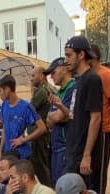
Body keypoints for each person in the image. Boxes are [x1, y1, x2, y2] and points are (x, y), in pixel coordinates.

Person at [62, 36, 103, 194]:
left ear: (81, 55)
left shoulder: (92, 79)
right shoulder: (78, 81)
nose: (66, 60)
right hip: (73, 151)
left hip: (83, 155)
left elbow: (95, 118)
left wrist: (87, 155)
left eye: (69, 55)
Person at [89, 44, 110, 194]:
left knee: (99, 173)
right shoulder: (87, 77)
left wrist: (107, 119)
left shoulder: (105, 75)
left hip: (102, 131)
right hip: (91, 130)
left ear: (93, 58)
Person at [0, 75, 48, 168]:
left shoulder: (26, 107)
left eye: (0, 91)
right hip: (8, 155)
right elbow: (5, 128)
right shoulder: (4, 105)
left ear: (7, 89)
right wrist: (0, 152)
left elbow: (42, 128)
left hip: (22, 156)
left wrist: (23, 140)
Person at [45, 57, 76, 186]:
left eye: (53, 72)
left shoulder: (73, 88)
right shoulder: (59, 92)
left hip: (65, 147)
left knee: (64, 187)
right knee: (56, 185)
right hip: (56, 147)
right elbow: (49, 121)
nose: (51, 76)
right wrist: (56, 115)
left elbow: (59, 117)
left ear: (64, 69)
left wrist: (56, 116)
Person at [29, 66, 53, 185]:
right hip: (38, 134)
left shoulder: (41, 91)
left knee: (41, 167)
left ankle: (49, 193)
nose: (31, 79)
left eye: (33, 76)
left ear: (42, 76)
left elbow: (29, 110)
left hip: (38, 135)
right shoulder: (43, 90)